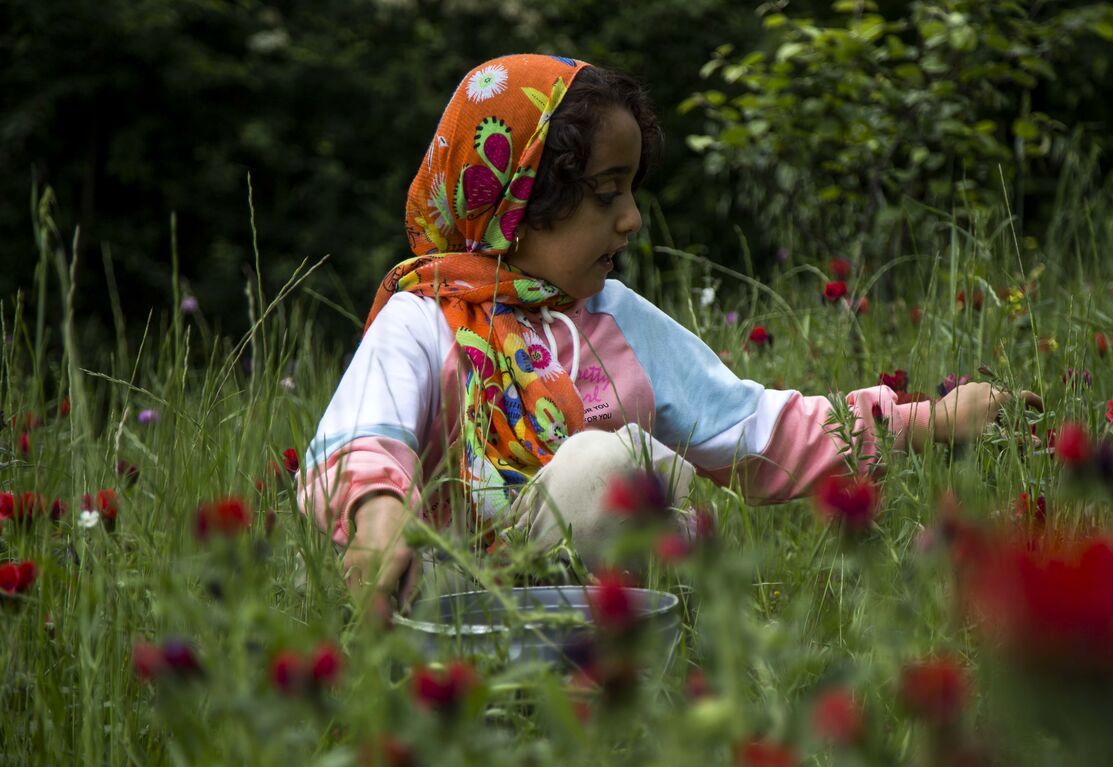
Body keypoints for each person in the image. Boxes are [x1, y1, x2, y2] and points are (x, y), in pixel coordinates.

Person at [298, 54, 1041, 614]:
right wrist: (378, 515)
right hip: (447, 608)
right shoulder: (422, 317)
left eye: (631, 190)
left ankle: (630, 675)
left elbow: (757, 429)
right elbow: (362, 435)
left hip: (603, 618)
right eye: (605, 193)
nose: (631, 219)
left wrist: (931, 421)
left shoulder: (613, 319)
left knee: (610, 466)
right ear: (516, 205)